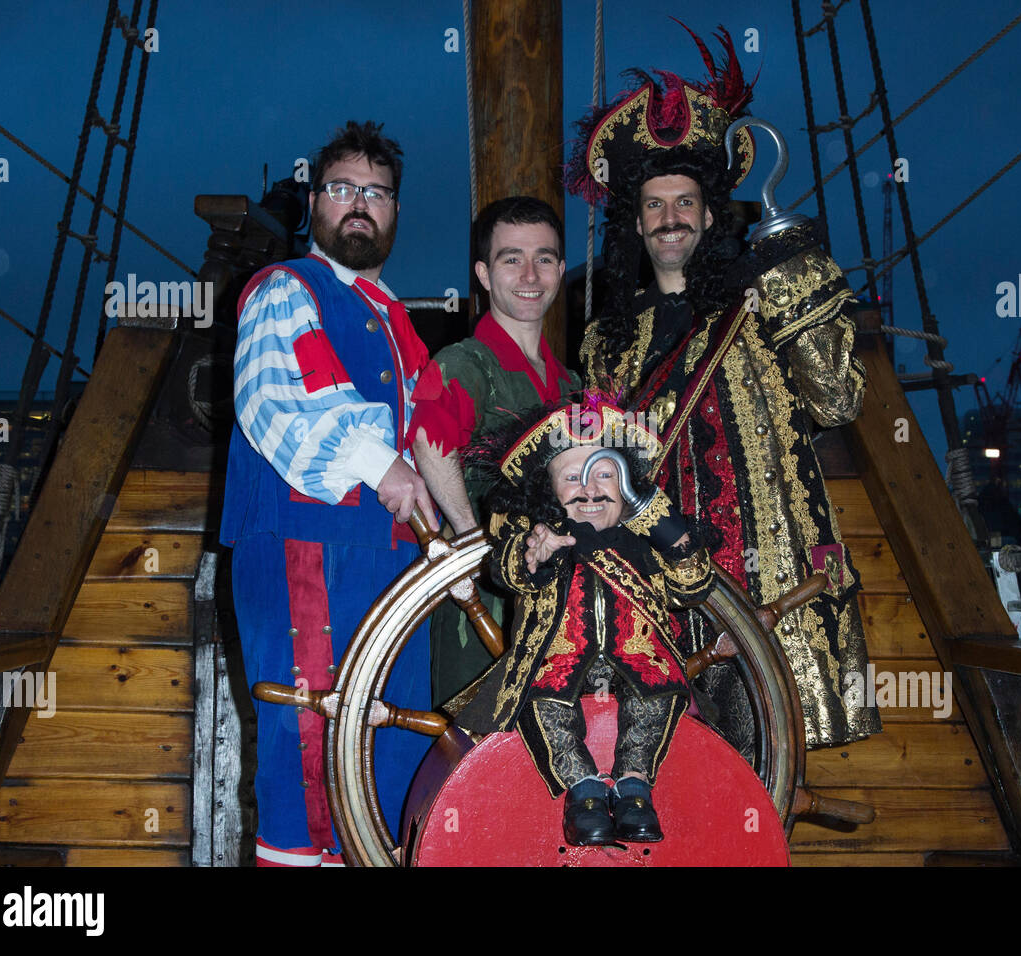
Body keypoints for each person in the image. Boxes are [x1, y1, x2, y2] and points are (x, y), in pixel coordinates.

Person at [567, 26, 881, 754]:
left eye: (684, 202)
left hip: (767, 586)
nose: (670, 217)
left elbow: (838, 401)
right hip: (654, 589)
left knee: (770, 770)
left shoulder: (766, 301)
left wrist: (795, 265)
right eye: (654, 204)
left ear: (710, 215)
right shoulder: (607, 343)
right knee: (667, 782)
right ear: (636, 223)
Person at [221, 120, 439, 867]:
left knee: (391, 740)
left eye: (376, 194)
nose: (359, 204)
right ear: (315, 201)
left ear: (395, 214)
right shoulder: (287, 291)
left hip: (391, 565)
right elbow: (286, 402)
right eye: (343, 188)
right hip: (305, 551)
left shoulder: (397, 322)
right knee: (307, 745)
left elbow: (432, 443)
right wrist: (386, 468)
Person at [445, 394, 714, 844]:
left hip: (641, 658)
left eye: (605, 473)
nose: (590, 488)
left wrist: (663, 525)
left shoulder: (644, 538)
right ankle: (583, 790)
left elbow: (694, 584)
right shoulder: (538, 533)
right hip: (555, 661)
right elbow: (508, 571)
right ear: (547, 492)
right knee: (544, 703)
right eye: (572, 477)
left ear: (628, 483)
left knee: (658, 696)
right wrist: (536, 551)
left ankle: (634, 783)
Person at [407, 196, 579, 706]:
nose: (530, 273)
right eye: (511, 258)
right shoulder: (467, 362)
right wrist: (473, 538)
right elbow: (428, 438)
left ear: (561, 270)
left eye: (544, 258)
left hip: (562, 602)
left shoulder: (572, 386)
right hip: (488, 600)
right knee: (482, 755)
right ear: (483, 273)